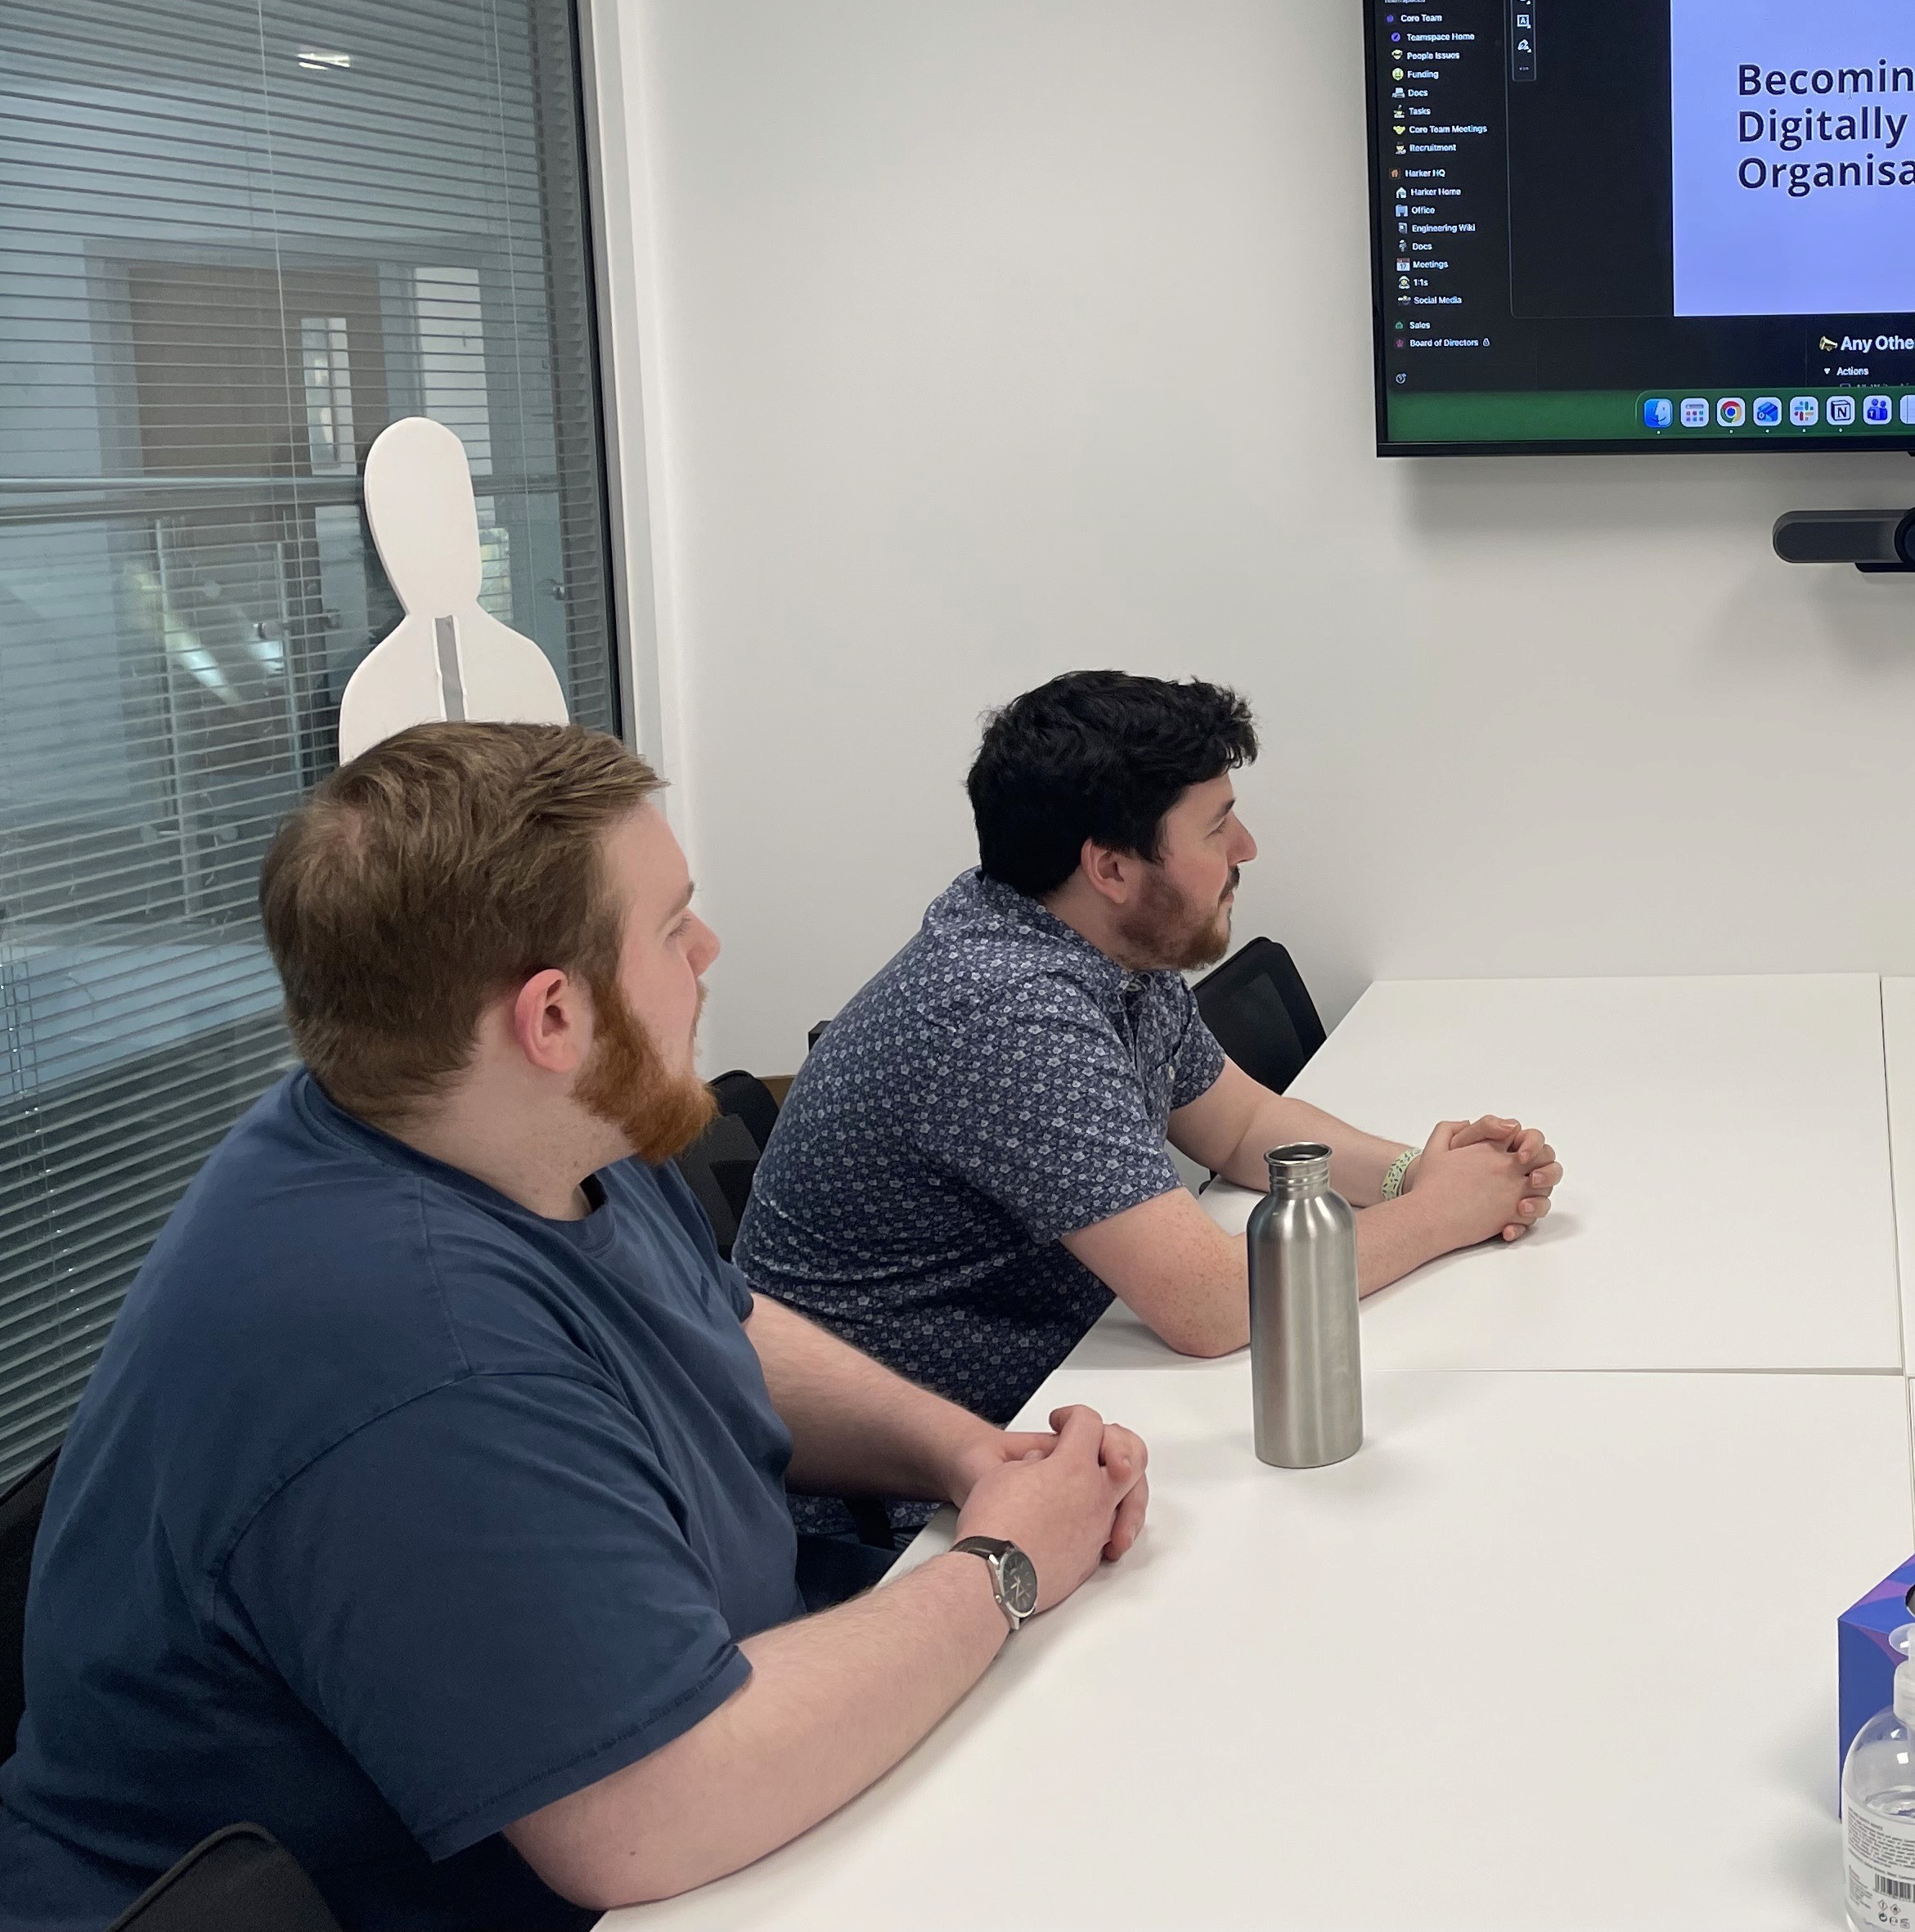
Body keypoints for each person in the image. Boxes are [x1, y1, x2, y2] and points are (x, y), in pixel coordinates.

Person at [0, 725, 1149, 1932]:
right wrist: (1006, 1567)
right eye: (670, 927)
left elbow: (714, 1329)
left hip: (707, 1728)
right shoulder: (411, 1348)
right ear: (552, 1016)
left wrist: (965, 1455)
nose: (707, 950)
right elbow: (653, 1815)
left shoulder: (524, 1126)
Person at [737, 672, 1560, 1480]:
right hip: (913, 1492)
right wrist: (1443, 1213)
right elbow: (1208, 1306)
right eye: (1217, 828)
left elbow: (1238, 1128)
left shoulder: (1099, 938)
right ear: (1113, 869)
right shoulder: (1005, 1009)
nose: (1247, 849)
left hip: (1050, 1399)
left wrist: (1413, 1171)